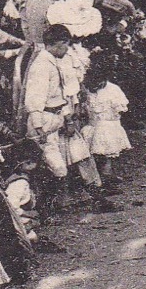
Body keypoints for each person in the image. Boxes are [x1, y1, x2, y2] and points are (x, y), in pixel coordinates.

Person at [23, 24, 112, 208]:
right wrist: (39, 127)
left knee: (81, 155)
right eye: (66, 45)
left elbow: (62, 95)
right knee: (55, 166)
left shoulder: (53, 61)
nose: (67, 49)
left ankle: (97, 198)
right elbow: (34, 99)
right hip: (45, 121)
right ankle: (48, 208)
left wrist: (68, 118)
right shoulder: (41, 66)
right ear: (59, 43)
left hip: (59, 117)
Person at [82, 57, 132, 180]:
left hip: (108, 125)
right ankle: (100, 177)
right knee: (95, 153)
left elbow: (120, 108)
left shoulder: (112, 89)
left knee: (107, 153)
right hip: (93, 125)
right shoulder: (88, 90)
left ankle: (107, 176)